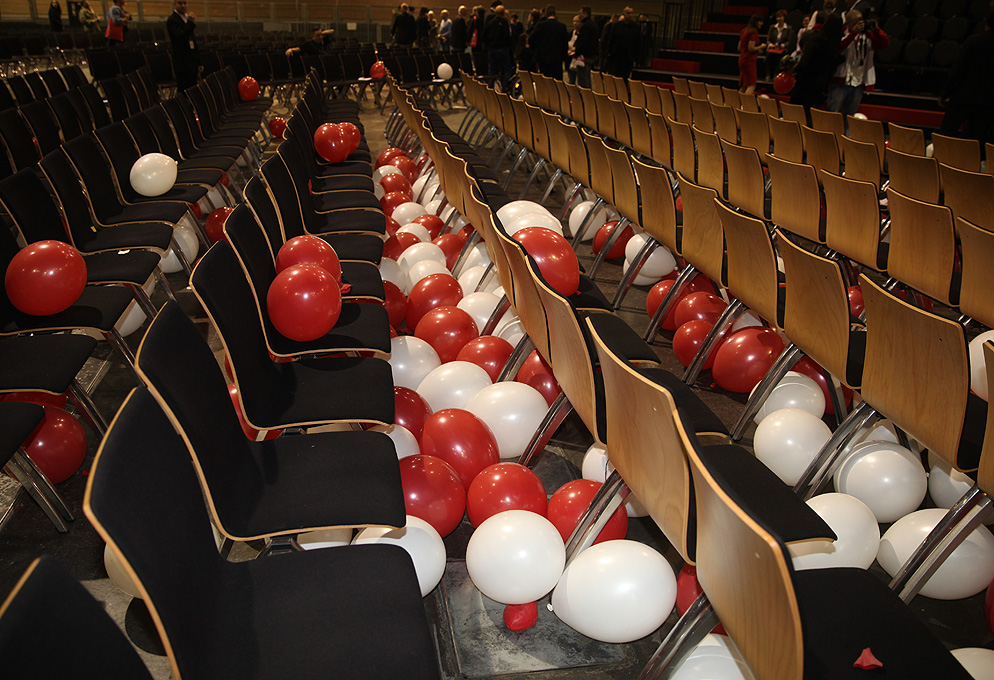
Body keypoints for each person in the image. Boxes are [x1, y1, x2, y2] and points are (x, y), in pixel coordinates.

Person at [939, 10, 994, 144]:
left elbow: (958, 70)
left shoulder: (974, 40)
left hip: (964, 96)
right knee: (975, 139)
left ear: (986, 23)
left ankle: (942, 156)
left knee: (947, 135)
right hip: (988, 101)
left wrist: (945, 94)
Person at [826, 10, 888, 116]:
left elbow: (884, 44)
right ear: (848, 23)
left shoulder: (867, 36)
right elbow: (837, 48)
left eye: (861, 22)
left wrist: (876, 30)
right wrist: (853, 33)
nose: (859, 25)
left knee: (850, 115)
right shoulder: (841, 33)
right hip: (840, 80)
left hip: (858, 81)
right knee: (832, 112)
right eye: (856, 23)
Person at [790, 14, 844, 115]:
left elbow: (805, 60)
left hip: (806, 79)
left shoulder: (816, 38)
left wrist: (797, 68)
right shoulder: (835, 43)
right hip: (820, 82)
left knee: (796, 110)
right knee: (811, 111)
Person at [167, 0, 200, 91]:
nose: (183, 5)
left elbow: (193, 41)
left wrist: (198, 62)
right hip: (182, 62)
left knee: (193, 89)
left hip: (191, 62)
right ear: (175, 4)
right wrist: (190, 23)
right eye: (180, 3)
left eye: (185, 3)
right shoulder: (172, 20)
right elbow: (180, 37)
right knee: (184, 89)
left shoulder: (186, 18)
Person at [529, 4, 569, 79]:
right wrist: (563, 57)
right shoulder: (561, 26)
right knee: (557, 80)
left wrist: (536, 50)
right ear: (555, 14)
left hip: (543, 58)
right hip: (557, 58)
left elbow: (531, 39)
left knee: (544, 80)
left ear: (546, 14)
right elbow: (565, 43)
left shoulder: (540, 25)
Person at [604, 6, 639, 79]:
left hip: (628, 58)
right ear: (623, 14)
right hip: (616, 57)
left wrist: (635, 57)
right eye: (628, 13)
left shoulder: (636, 27)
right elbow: (610, 40)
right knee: (614, 77)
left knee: (625, 78)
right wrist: (609, 53)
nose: (630, 15)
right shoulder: (616, 26)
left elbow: (637, 42)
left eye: (632, 13)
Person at [483, 4, 513, 88]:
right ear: (503, 13)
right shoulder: (505, 22)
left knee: (492, 70)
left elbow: (484, 35)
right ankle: (504, 87)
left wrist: (489, 45)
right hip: (502, 49)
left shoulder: (490, 22)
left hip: (492, 49)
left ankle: (490, 87)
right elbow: (507, 36)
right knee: (507, 69)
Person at [738, 14, 766, 94]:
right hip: (749, 60)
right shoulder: (753, 32)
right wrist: (761, 46)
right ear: (756, 22)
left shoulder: (744, 31)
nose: (762, 24)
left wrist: (756, 50)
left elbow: (739, 48)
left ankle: (737, 101)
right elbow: (751, 48)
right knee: (751, 85)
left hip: (742, 59)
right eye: (760, 22)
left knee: (744, 85)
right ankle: (746, 102)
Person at [572, 5, 598, 87]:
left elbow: (583, 43)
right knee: (587, 78)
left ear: (585, 13)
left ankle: (585, 94)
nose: (579, 15)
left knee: (583, 80)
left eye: (580, 13)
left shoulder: (586, 26)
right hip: (591, 55)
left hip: (584, 57)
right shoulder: (593, 25)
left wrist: (577, 53)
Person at [766, 10, 796, 79]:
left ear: (784, 18)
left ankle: (776, 74)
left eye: (781, 17)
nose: (779, 19)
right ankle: (768, 74)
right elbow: (768, 40)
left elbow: (789, 41)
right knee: (769, 55)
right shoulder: (772, 27)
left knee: (780, 57)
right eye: (778, 17)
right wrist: (770, 45)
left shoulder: (788, 28)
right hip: (773, 48)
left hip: (782, 48)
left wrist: (782, 45)